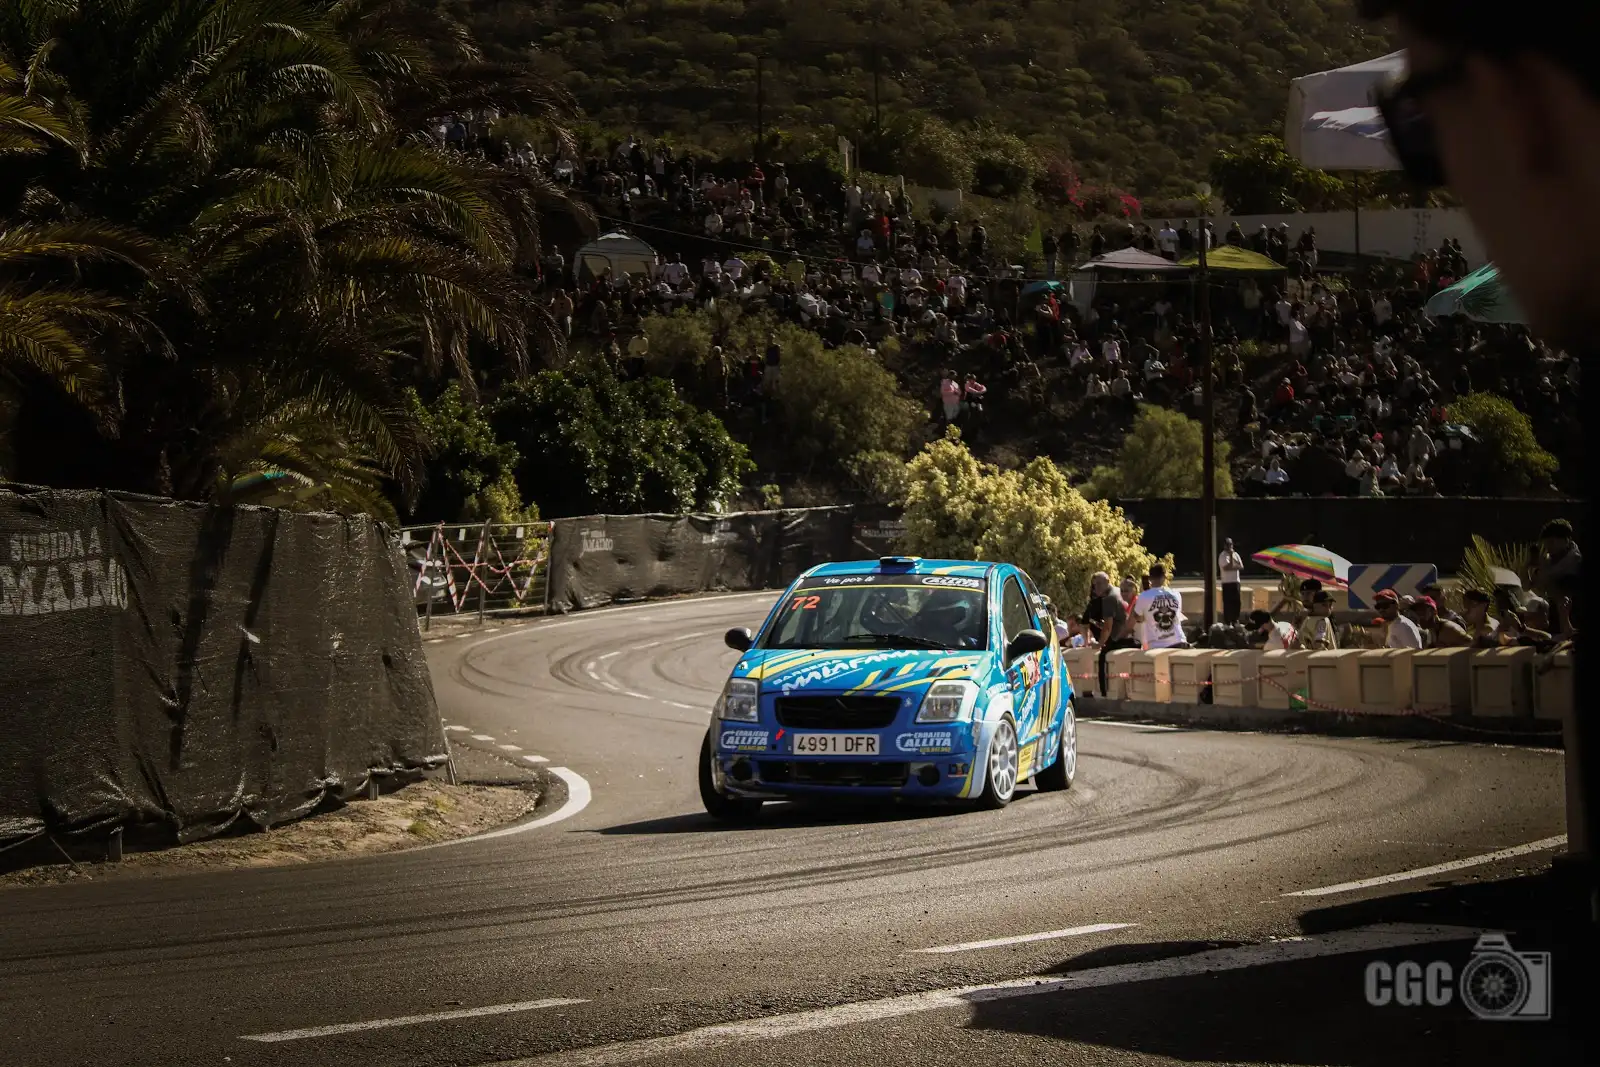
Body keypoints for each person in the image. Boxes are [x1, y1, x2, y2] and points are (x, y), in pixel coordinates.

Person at [1130, 563, 1187, 650]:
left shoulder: (1144, 596)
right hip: (1179, 641)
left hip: (1157, 646)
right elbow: (1177, 615)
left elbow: (1138, 618)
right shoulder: (1176, 594)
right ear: (1164, 577)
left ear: (1150, 578)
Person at [1218, 538, 1244, 626]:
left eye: (1231, 544)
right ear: (1224, 545)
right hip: (1227, 582)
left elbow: (1241, 566)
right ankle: (1227, 621)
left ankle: (1235, 620)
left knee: (1237, 602)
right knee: (1228, 603)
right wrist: (1231, 556)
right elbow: (1226, 568)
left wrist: (1233, 561)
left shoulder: (1236, 554)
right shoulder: (1222, 556)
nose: (1230, 546)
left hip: (1235, 581)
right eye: (1228, 544)